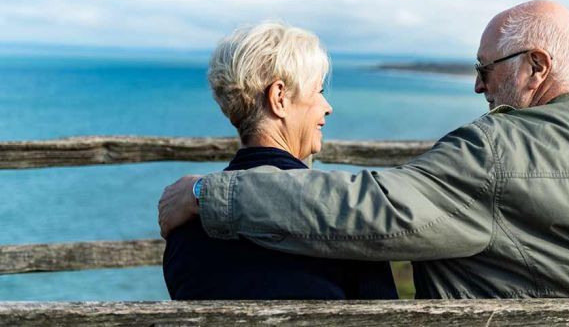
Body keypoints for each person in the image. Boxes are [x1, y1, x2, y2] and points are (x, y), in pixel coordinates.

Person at [159, 0, 569, 298]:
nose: (478, 87)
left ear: (536, 67)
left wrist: (210, 195)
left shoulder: (498, 152)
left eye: (485, 69)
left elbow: (375, 211)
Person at [161, 22, 397, 300]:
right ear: (279, 98)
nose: (327, 107)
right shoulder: (347, 220)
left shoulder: (184, 228)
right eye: (318, 91)